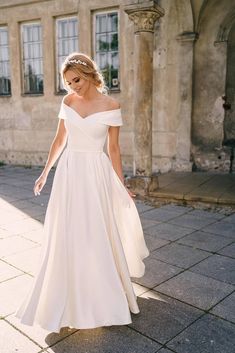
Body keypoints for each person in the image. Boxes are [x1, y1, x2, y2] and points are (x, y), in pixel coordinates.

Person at [14, 52, 150, 333]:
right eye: (67, 82)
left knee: (97, 231)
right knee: (67, 232)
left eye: (76, 80)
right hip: (69, 172)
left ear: (88, 74)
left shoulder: (111, 105)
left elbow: (113, 149)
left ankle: (104, 298)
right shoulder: (68, 101)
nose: (73, 86)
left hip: (96, 173)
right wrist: (45, 172)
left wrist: (120, 184)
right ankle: (67, 298)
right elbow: (60, 139)